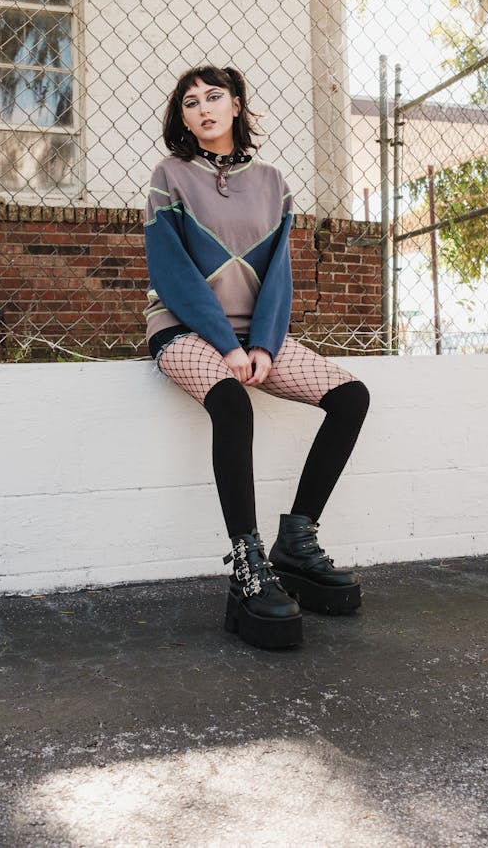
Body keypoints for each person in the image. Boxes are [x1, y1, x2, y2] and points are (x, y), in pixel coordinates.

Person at [144, 65, 370, 649]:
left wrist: (264, 346)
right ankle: (247, 568)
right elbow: (173, 276)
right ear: (183, 118)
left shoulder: (273, 182)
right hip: (184, 331)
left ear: (238, 105)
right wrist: (227, 346)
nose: (202, 109)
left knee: (350, 397)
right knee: (232, 406)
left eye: (214, 97)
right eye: (190, 103)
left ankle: (296, 541)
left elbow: (279, 278)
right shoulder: (169, 177)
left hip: (255, 339)